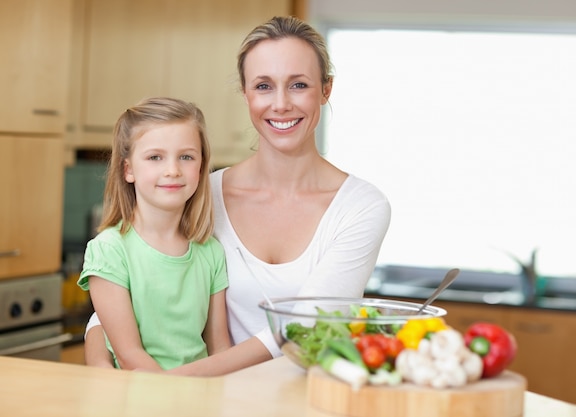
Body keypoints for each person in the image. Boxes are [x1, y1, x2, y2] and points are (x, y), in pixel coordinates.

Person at [83, 15, 391, 376]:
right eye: (263, 86)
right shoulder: (201, 193)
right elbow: (133, 290)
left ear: (326, 90)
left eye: (299, 85)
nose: (280, 104)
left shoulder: (361, 207)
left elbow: (306, 326)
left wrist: (169, 384)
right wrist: (101, 365)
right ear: (244, 92)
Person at [78, 97, 231, 371]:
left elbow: (219, 347)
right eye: (155, 157)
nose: (172, 170)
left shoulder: (211, 251)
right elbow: (129, 355)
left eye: (186, 157)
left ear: (201, 166)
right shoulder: (109, 250)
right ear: (128, 170)